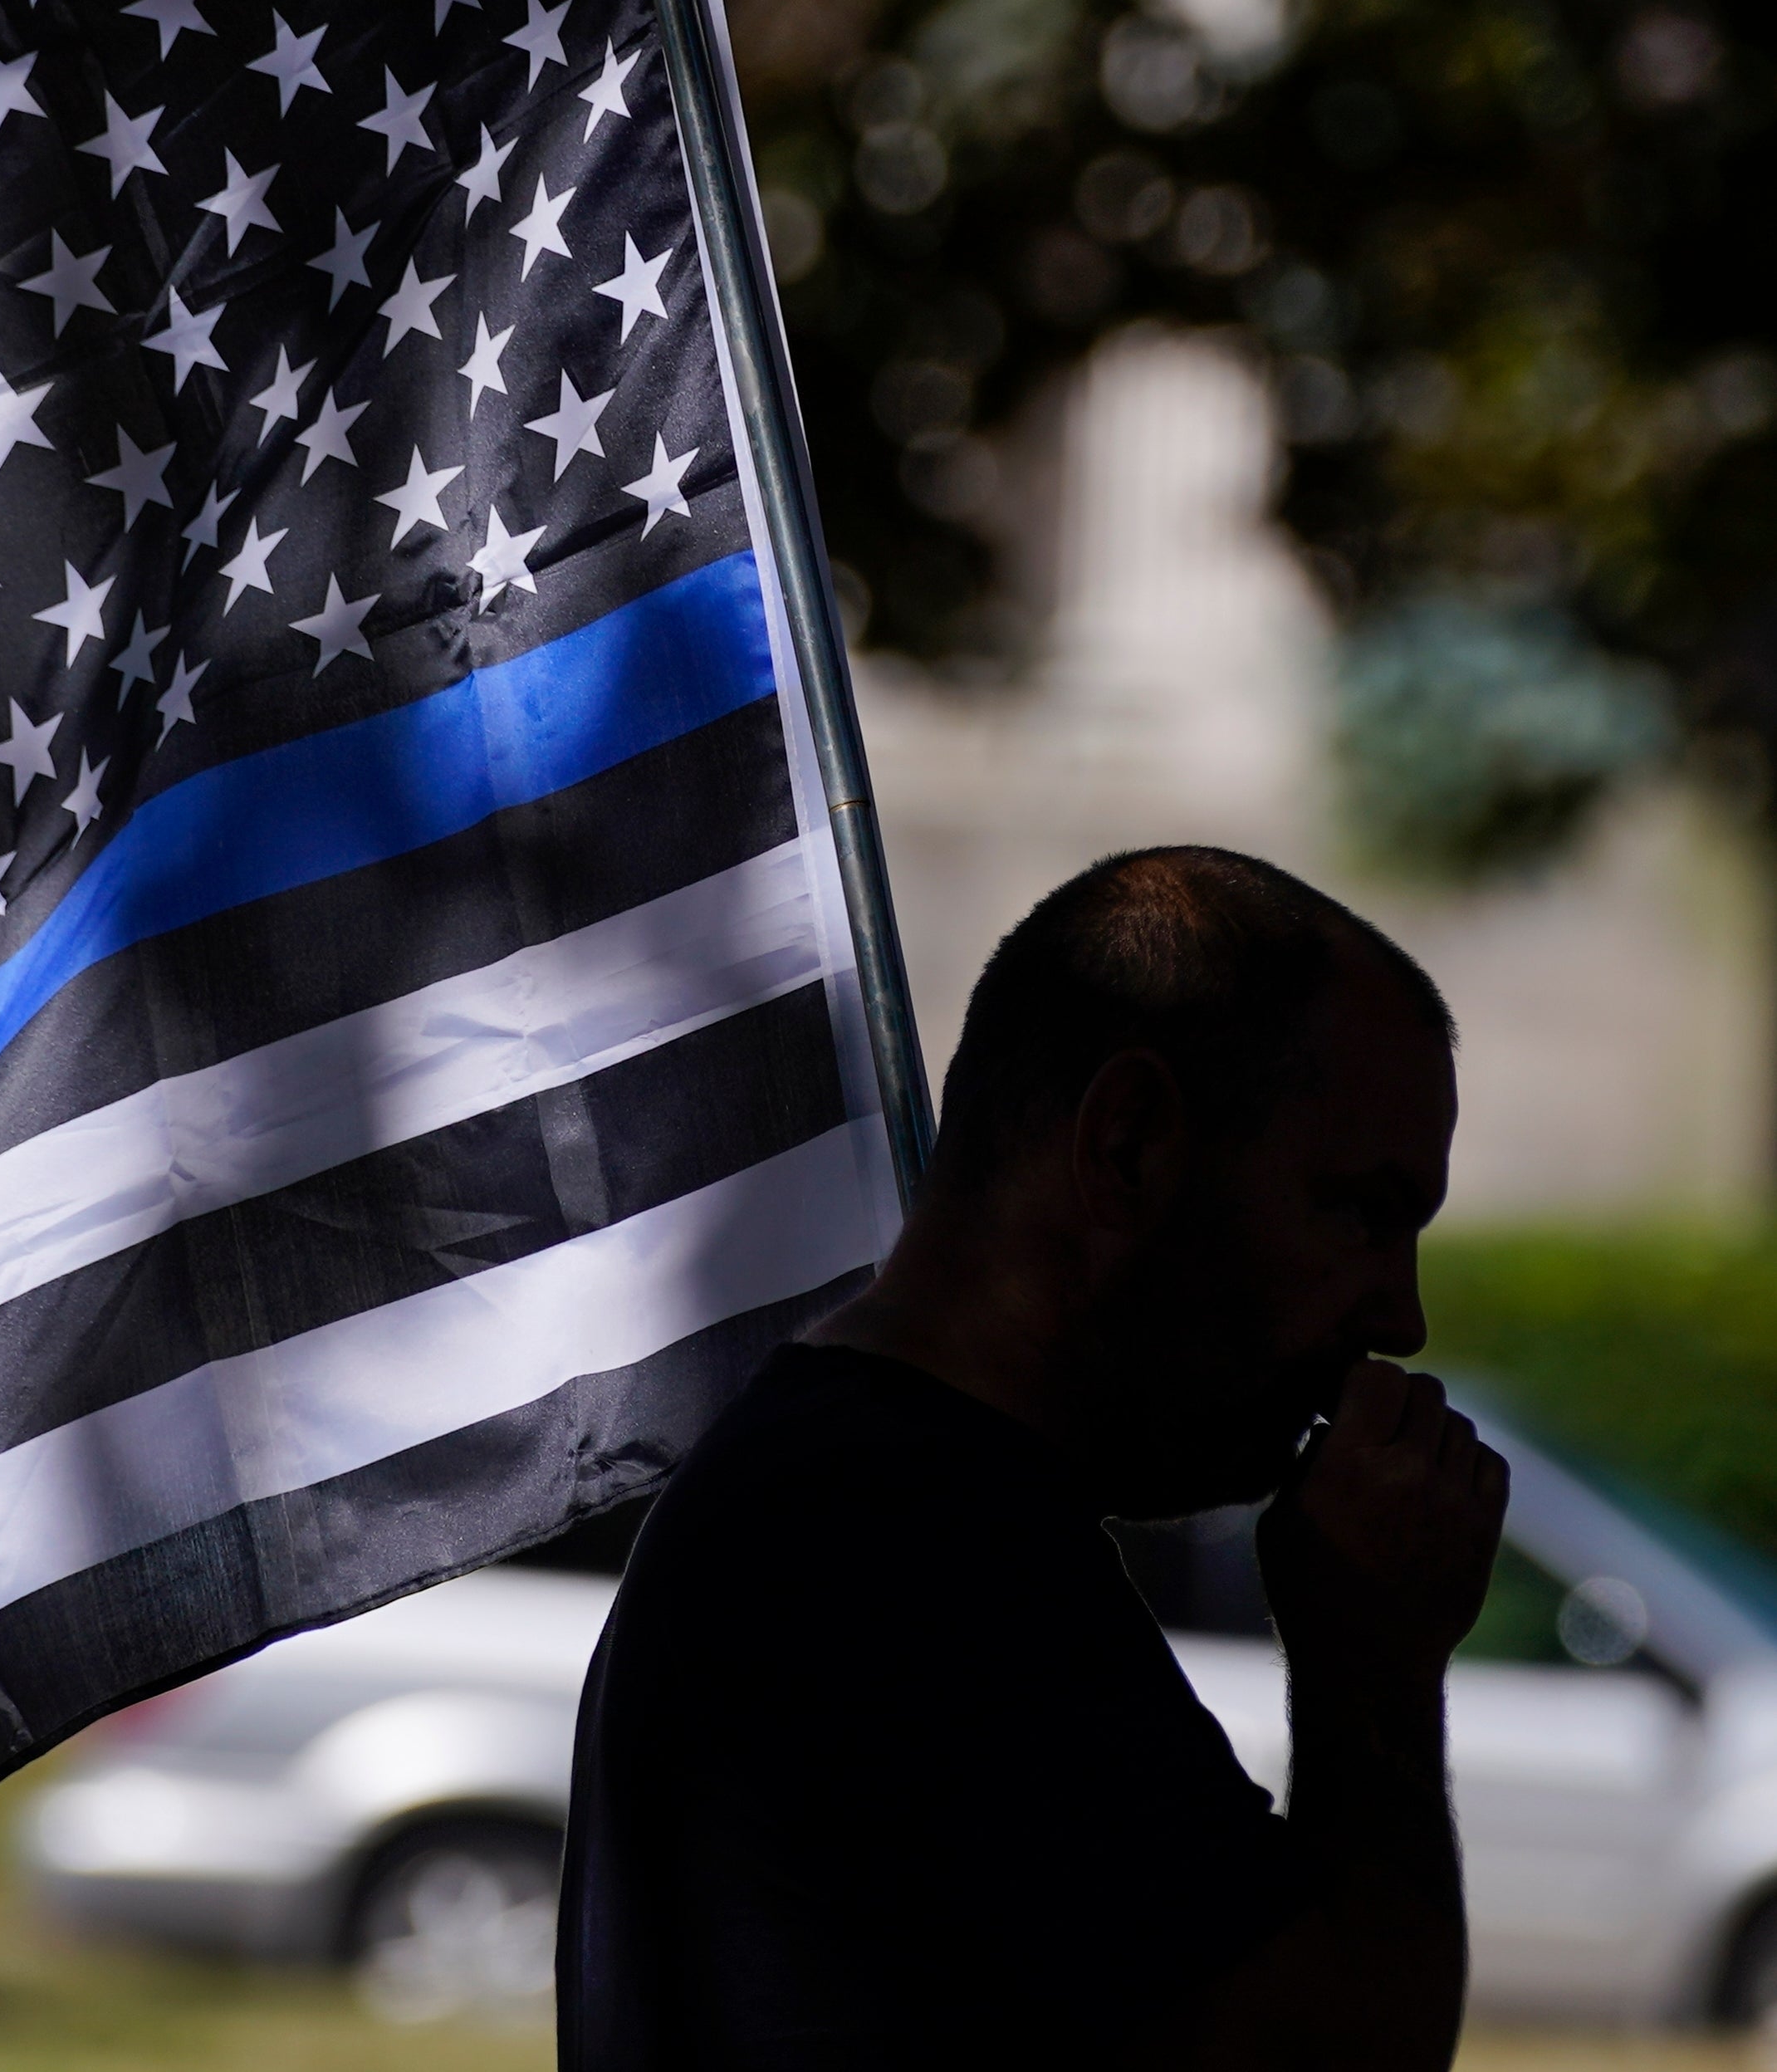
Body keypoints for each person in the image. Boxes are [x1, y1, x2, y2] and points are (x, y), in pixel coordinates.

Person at [559, 845, 1508, 2070]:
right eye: (1361, 1213)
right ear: (1126, 1145)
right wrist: (1370, 1680)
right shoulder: (911, 1549)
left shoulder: (848, 1494)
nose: (1401, 1319)